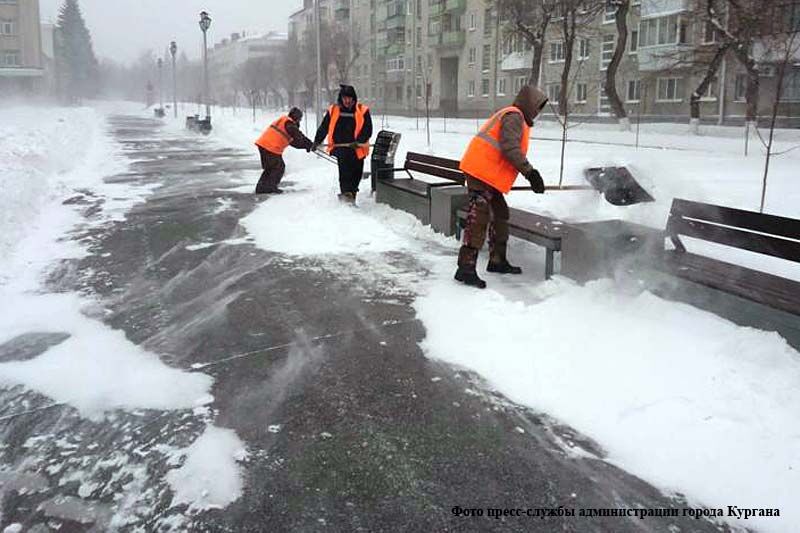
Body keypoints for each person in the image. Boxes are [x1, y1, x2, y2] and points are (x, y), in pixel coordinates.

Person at [455, 85, 548, 289]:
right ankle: (466, 268)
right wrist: (530, 173)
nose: (538, 112)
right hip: (481, 171)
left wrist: (530, 175)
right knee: (479, 216)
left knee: (500, 214)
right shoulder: (514, 116)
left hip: (488, 174)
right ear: (529, 104)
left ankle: (497, 260)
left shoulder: (516, 118)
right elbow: (510, 148)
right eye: (537, 107)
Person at [312, 85, 373, 204]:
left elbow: (367, 129)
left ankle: (351, 194)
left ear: (354, 98)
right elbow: (324, 127)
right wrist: (317, 141)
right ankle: (346, 198)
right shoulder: (333, 110)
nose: (347, 101)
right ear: (341, 98)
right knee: (345, 174)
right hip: (341, 149)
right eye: (345, 98)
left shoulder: (363, 110)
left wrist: (359, 141)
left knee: (356, 174)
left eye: (349, 98)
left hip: (357, 149)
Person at [254, 107, 313, 194]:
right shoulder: (289, 123)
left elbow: (295, 142)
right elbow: (298, 136)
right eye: (300, 119)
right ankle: (270, 188)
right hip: (271, 147)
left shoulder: (285, 121)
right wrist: (309, 144)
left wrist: (307, 146)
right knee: (279, 167)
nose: (300, 121)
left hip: (265, 145)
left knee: (270, 168)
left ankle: (262, 188)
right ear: (296, 117)